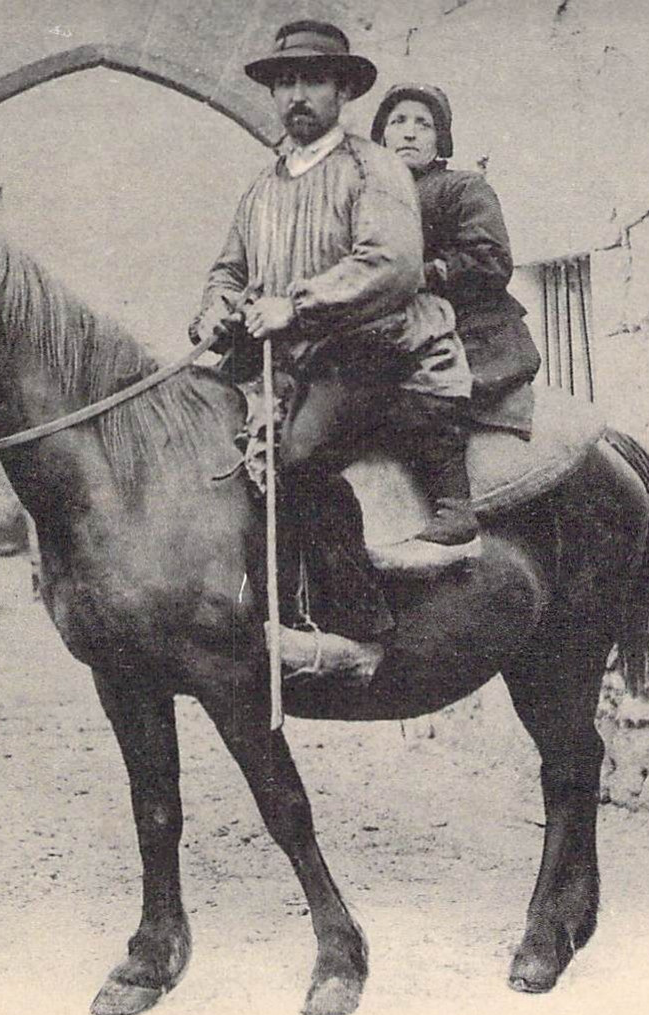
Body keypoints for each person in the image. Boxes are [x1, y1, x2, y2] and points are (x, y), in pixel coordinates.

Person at [191, 20, 478, 670]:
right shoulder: (262, 189)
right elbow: (229, 270)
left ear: (341, 90)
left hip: (373, 353)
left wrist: (293, 305)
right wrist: (214, 313)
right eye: (284, 81)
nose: (296, 94)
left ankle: (359, 632)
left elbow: (391, 265)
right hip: (287, 363)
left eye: (312, 80)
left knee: (293, 456)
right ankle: (259, 613)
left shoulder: (371, 169)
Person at [372, 83, 541, 434]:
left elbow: (491, 260)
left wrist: (420, 275)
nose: (409, 132)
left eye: (424, 124)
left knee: (426, 420)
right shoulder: (366, 204)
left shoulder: (463, 188)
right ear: (383, 135)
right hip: (394, 341)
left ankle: (453, 492)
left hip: (471, 340)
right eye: (398, 121)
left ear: (439, 140)